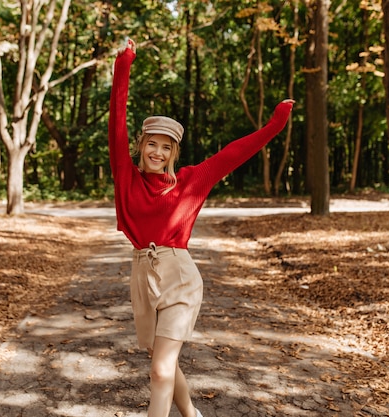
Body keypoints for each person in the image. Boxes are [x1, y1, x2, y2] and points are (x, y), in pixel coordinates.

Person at [108, 38, 294, 417]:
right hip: (143, 275)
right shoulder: (126, 175)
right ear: (141, 146)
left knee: (160, 370)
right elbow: (117, 120)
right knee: (161, 359)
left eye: (165, 147)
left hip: (180, 277)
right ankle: (192, 413)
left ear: (174, 152)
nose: (157, 153)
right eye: (151, 145)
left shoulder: (193, 180)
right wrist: (123, 65)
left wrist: (275, 124)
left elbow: (235, 152)